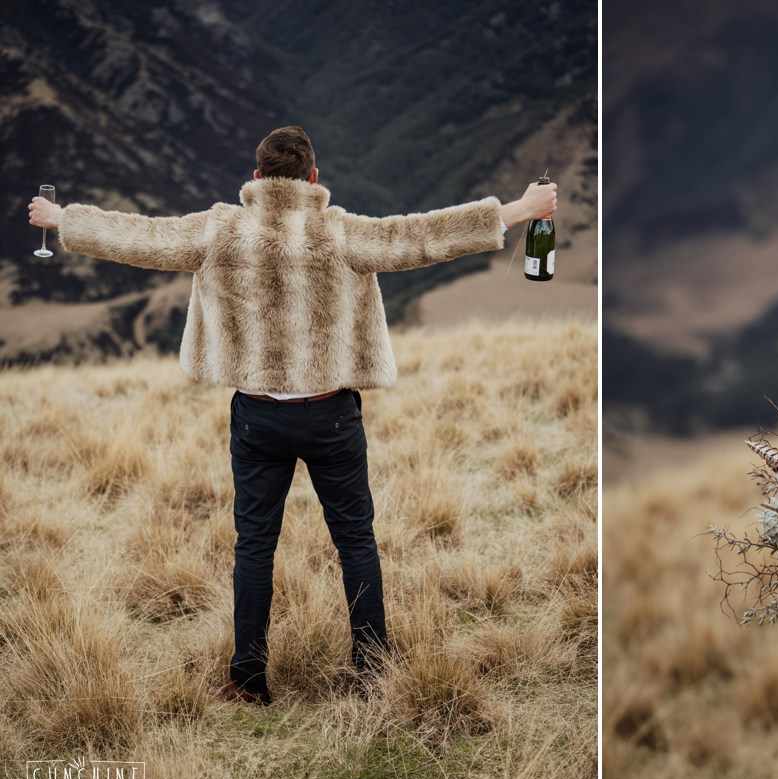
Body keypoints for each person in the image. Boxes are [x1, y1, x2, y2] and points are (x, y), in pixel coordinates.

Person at [28, 125, 557, 706]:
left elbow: (138, 237)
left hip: (256, 418)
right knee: (355, 540)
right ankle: (372, 671)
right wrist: (519, 210)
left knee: (254, 545)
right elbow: (422, 237)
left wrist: (62, 218)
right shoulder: (340, 233)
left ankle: (248, 678)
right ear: (313, 178)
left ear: (257, 178)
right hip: (331, 415)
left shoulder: (218, 229)